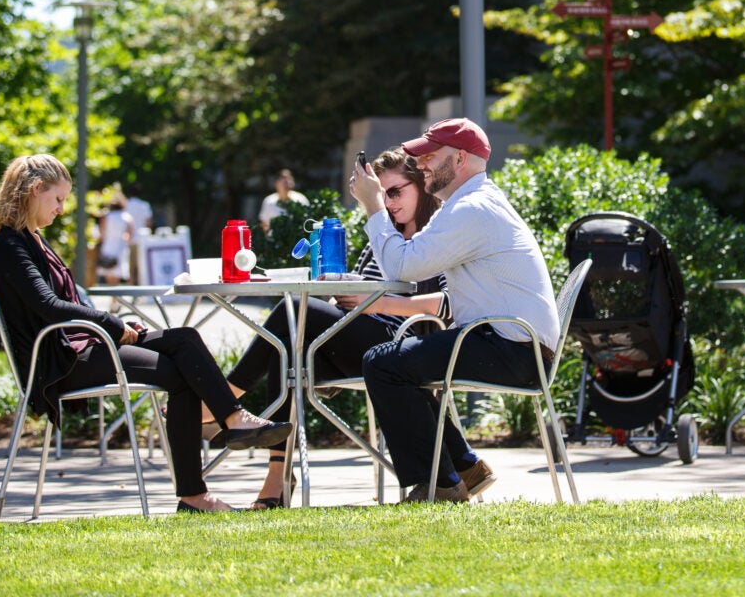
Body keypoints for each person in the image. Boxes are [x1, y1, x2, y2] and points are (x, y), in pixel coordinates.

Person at [0, 154, 291, 514]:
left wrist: (121, 327)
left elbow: (63, 303)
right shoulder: (9, 245)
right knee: (183, 376)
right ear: (36, 190)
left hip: (85, 345)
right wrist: (113, 325)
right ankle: (201, 483)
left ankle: (229, 425)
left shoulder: (34, 240)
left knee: (185, 338)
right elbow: (50, 306)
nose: (61, 209)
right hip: (63, 361)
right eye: (58, 199)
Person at [223, 147, 493, 509]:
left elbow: (448, 303)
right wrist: (339, 299)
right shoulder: (384, 235)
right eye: (381, 195)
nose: (388, 203)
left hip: (403, 342)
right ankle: (277, 475)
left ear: (422, 187)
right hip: (360, 338)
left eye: (396, 192)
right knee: (286, 350)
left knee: (292, 311)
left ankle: (225, 400)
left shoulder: (440, 232)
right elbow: (362, 291)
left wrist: (379, 305)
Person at [351, 117, 559, 503]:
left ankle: (441, 485)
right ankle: (462, 468)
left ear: (460, 158)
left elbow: (401, 267)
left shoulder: (472, 208)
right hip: (510, 343)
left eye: (430, 155)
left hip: (513, 348)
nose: (422, 164)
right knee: (400, 363)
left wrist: (374, 206)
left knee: (384, 364)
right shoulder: (468, 203)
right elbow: (407, 262)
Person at [96, 190, 135, 284]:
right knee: (118, 271)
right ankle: (114, 295)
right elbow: (130, 235)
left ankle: (112, 293)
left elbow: (102, 232)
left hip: (108, 244)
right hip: (120, 245)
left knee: (108, 270)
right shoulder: (127, 217)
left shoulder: (107, 216)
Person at [259, 168, 308, 236]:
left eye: (289, 178)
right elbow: (264, 224)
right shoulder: (268, 201)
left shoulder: (301, 199)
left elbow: (307, 222)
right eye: (283, 178)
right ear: (276, 183)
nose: (286, 181)